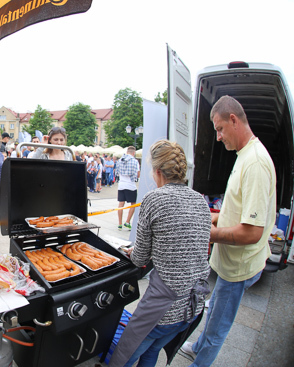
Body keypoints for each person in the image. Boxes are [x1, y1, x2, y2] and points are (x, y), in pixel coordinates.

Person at [180, 96, 276, 367]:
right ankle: (197, 346)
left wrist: (205, 233)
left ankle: (201, 361)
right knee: (214, 309)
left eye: (220, 129)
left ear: (234, 119)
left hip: (240, 266)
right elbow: (237, 211)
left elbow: (251, 232)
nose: (218, 137)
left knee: (219, 323)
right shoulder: (244, 154)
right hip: (230, 263)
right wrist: (205, 216)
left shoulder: (255, 163)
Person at [109, 140, 211, 367]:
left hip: (164, 308)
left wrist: (131, 252)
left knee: (125, 356)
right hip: (193, 306)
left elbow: (139, 259)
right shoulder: (200, 201)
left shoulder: (154, 199)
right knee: (152, 351)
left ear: (157, 172)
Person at [116, 146, 140, 231]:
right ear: (134, 153)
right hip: (130, 185)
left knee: (121, 204)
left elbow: (117, 173)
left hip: (121, 184)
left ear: (127, 152)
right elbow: (138, 175)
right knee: (133, 204)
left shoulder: (119, 161)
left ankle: (119, 224)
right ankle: (127, 222)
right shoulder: (135, 161)